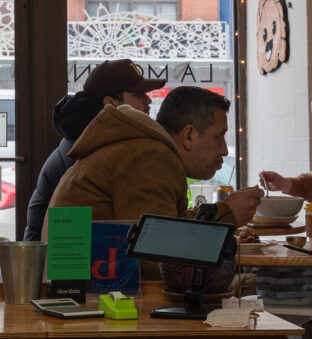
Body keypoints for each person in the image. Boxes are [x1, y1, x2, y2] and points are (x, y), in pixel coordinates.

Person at [41, 85, 263, 240]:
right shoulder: (151, 156)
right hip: (86, 297)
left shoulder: (145, 149)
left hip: (86, 289)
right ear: (189, 135)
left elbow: (161, 227)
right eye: (220, 135)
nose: (224, 150)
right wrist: (226, 214)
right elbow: (154, 251)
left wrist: (219, 212)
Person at [23, 59, 165, 240]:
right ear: (110, 103)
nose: (148, 100)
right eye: (138, 94)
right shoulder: (89, 150)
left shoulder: (89, 139)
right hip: (61, 263)